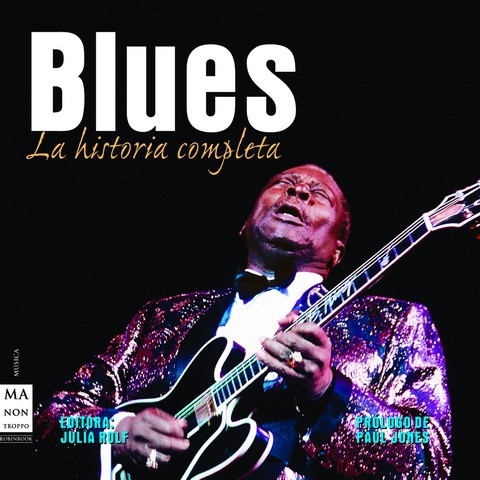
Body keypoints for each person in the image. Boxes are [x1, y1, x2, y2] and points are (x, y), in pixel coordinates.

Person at [34, 164, 452, 479]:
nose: (298, 192)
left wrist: (326, 392)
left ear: (338, 250)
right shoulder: (161, 316)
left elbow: (429, 460)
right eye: (283, 183)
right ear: (244, 224)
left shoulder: (395, 322)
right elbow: (38, 423)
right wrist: (116, 431)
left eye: (318, 194)